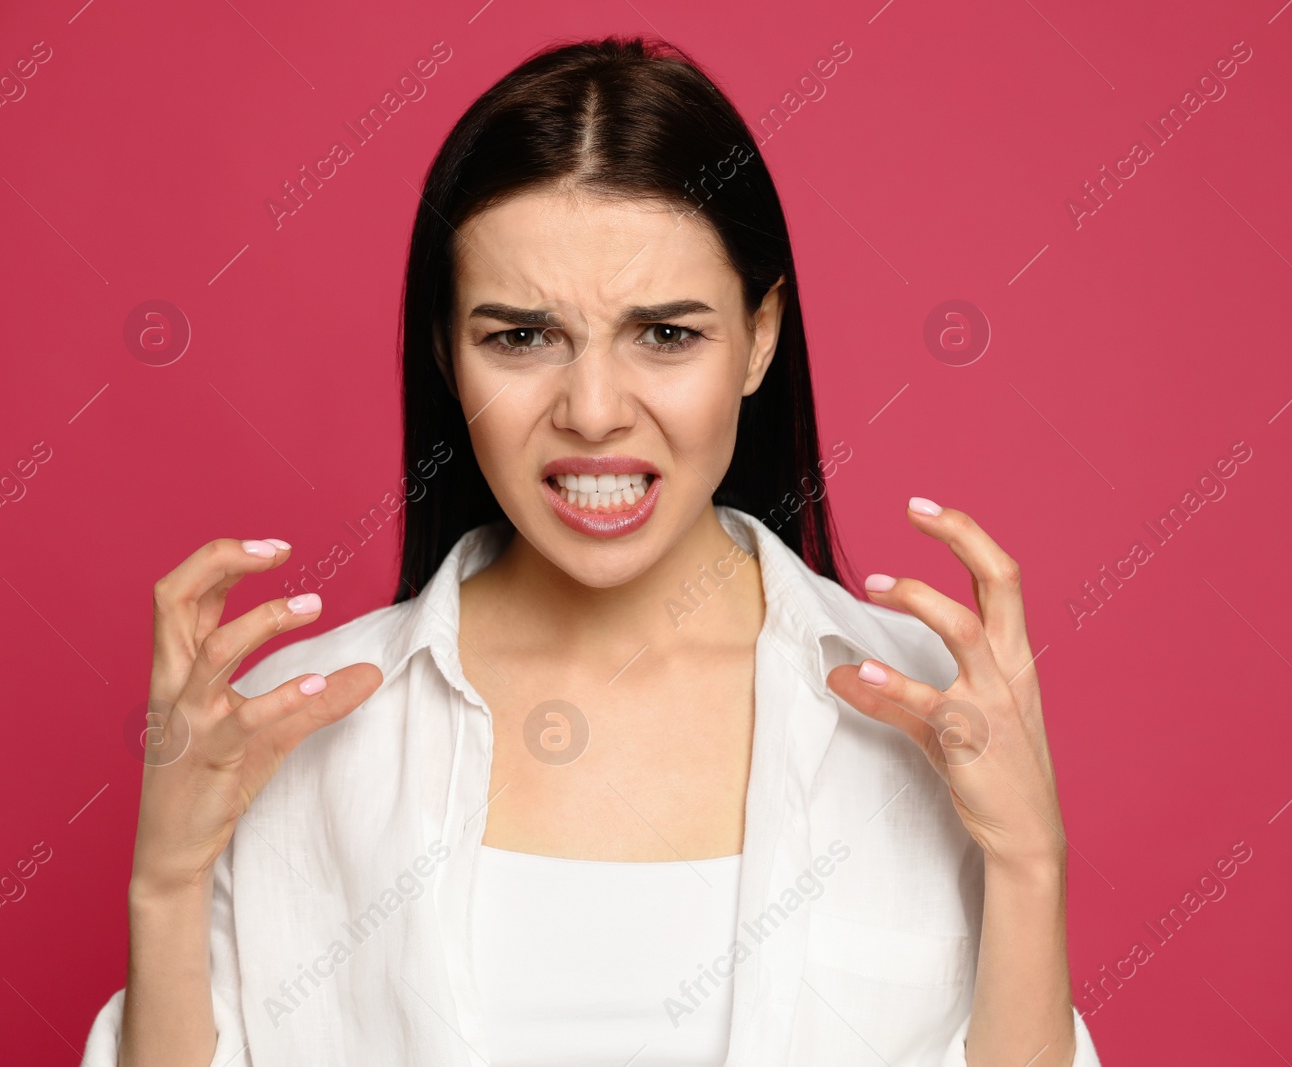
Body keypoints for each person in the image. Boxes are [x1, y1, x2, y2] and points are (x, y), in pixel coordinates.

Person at [82, 35, 1101, 1067]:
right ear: (444, 348)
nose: (595, 411)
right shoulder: (288, 724)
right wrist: (164, 884)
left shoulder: (928, 705)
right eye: (520, 337)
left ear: (759, 337)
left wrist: (1029, 861)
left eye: (664, 334)